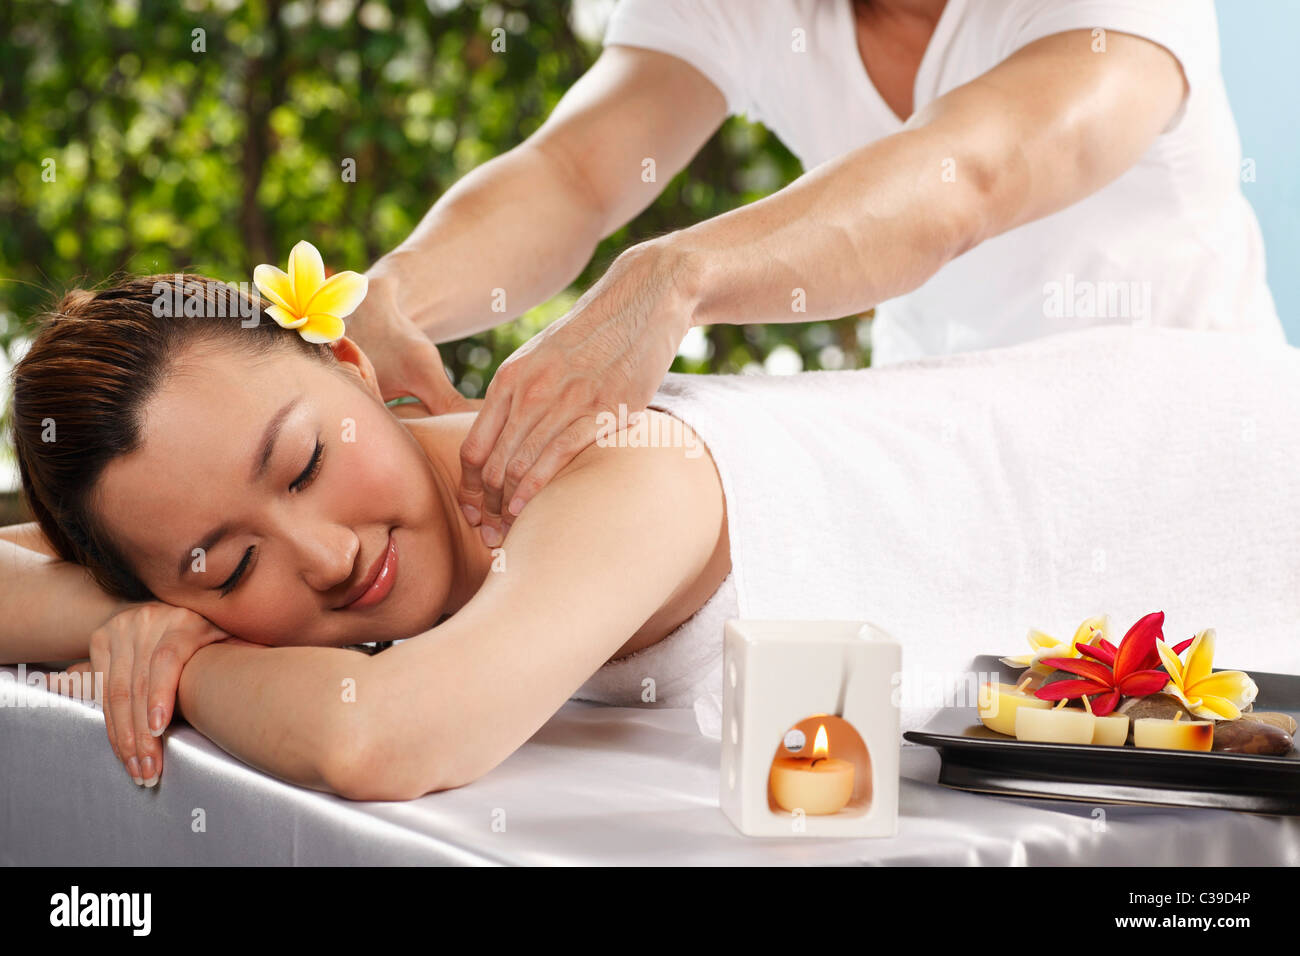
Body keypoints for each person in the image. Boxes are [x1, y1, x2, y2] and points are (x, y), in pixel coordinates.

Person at [5, 277, 1300, 800]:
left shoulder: (611, 468)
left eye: (302, 461)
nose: (326, 555)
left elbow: (377, 737)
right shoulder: (440, 565)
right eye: (229, 567)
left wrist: (171, 640)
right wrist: (118, 605)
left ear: (353, 364)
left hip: (1224, 481)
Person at [345, 0, 1281, 552]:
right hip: (956, 483)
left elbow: (970, 175)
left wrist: (673, 279)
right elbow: (577, 172)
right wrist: (394, 294)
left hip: (1192, 474)